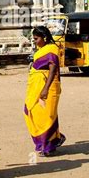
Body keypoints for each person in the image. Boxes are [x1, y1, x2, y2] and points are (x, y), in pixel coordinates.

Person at [24, 26, 66, 157]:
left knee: (47, 116)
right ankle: (54, 139)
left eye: (36, 38)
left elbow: (53, 68)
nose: (34, 41)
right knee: (30, 111)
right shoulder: (41, 50)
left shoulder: (52, 48)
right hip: (35, 86)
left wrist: (45, 89)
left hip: (48, 86)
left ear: (45, 38)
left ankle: (48, 146)